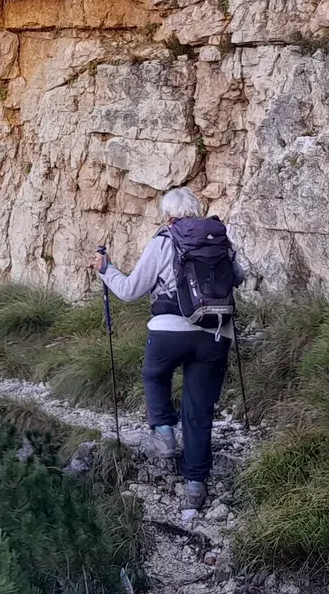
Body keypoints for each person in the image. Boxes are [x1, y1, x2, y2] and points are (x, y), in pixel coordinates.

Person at [93, 187, 246, 512]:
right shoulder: (219, 238)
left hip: (167, 332)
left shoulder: (163, 240)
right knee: (199, 411)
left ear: (168, 215)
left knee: (154, 373)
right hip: (215, 334)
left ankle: (163, 430)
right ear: (197, 209)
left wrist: (106, 270)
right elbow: (239, 278)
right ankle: (195, 487)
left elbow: (131, 291)